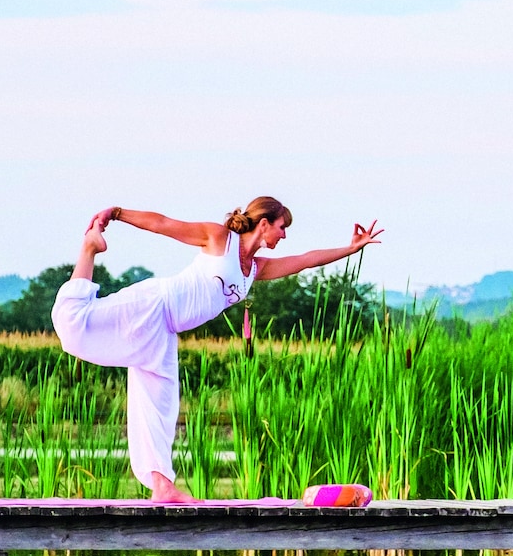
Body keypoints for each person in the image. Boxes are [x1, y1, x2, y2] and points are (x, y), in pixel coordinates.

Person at [52, 197, 382, 501]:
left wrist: (350, 249)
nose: (283, 236)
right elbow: (164, 223)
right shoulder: (219, 239)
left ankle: (162, 486)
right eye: (282, 227)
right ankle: (89, 248)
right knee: (74, 326)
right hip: (154, 304)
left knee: (160, 406)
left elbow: (304, 261)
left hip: (164, 332)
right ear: (264, 223)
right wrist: (118, 214)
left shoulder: (255, 269)